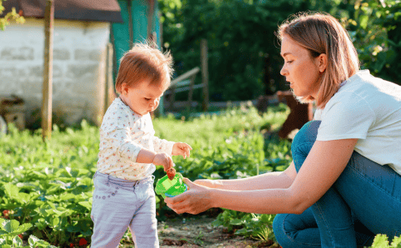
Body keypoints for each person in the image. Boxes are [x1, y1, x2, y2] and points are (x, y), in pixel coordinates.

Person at [165, 12, 401, 248]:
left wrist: (212, 199)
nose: (282, 70)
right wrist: (211, 186)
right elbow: (290, 178)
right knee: (287, 226)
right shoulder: (335, 100)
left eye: (290, 60)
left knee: (307, 139)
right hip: (386, 201)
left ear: (321, 61)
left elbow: (297, 198)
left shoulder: (351, 101)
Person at [91, 43, 192, 248]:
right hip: (114, 189)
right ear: (124, 88)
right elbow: (123, 147)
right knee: (106, 242)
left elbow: (148, 142)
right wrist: (154, 158)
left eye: (158, 98)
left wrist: (169, 147)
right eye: (148, 97)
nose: (153, 104)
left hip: (143, 187)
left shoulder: (142, 111)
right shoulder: (117, 114)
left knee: (148, 240)